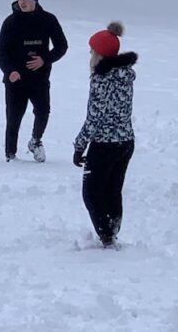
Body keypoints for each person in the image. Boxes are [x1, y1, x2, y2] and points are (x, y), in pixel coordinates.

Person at [73, 22, 136, 249]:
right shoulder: (126, 74)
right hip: (126, 141)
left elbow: (93, 118)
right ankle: (112, 228)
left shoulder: (101, 80)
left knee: (91, 194)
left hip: (104, 145)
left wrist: (79, 146)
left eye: (92, 50)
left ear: (99, 54)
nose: (90, 54)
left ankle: (106, 236)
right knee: (112, 190)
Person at [0, 0, 68, 162]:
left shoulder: (48, 20)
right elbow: (0, 52)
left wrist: (45, 60)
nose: (23, 2)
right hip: (16, 80)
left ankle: (35, 141)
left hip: (39, 79)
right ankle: (10, 154)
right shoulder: (10, 22)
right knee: (13, 118)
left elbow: (62, 46)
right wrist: (9, 71)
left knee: (43, 111)